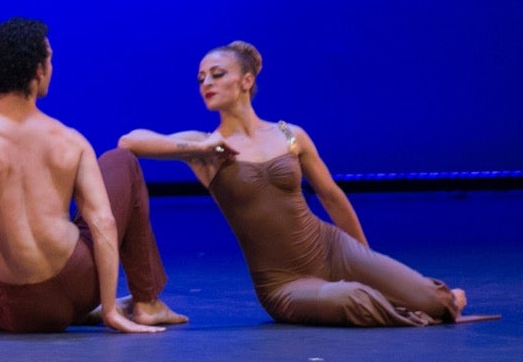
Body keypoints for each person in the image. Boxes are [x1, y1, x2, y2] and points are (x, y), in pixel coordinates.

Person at [118, 41, 475, 327]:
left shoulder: (290, 134)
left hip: (332, 249)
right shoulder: (206, 147)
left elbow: (331, 197)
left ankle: (431, 301)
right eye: (200, 79)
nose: (206, 84)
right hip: (284, 284)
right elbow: (130, 141)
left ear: (246, 81)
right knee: (355, 299)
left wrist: (367, 258)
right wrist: (198, 148)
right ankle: (395, 305)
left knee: (434, 298)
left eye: (217, 74)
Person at [0, 18, 185, 339]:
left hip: (28, 311)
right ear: (38, 71)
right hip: (83, 282)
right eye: (50, 59)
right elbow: (103, 222)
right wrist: (110, 309)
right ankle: (146, 302)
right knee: (121, 160)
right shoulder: (70, 139)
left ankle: (72, 310)